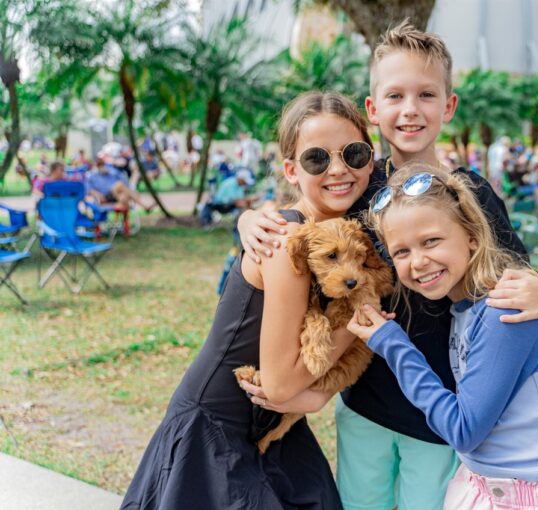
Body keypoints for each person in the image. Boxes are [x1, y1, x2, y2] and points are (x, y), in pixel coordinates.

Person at [238, 21, 538, 510]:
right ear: (374, 109)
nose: (410, 110)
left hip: (438, 415)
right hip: (365, 404)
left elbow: (515, 274)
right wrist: (246, 220)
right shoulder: (357, 187)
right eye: (395, 96)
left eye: (426, 95)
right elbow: (299, 220)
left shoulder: (470, 193)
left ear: (448, 106)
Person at [122, 91, 380, 509]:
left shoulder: (347, 227)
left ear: (370, 158)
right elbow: (280, 386)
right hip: (216, 431)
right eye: (317, 159)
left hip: (271, 428)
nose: (339, 169)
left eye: (353, 154)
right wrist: (364, 316)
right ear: (291, 170)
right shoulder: (284, 239)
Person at [348, 164, 538, 509]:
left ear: (472, 234)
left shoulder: (502, 312)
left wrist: (390, 342)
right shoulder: (464, 310)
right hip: (486, 486)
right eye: (402, 252)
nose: (419, 261)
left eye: (431, 241)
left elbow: (463, 430)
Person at [85, 157, 153, 211]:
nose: (101, 166)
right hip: (106, 196)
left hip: (117, 194)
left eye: (102, 164)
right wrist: (95, 193)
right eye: (99, 165)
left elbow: (123, 179)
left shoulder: (111, 171)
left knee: (123, 197)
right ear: (96, 166)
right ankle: (144, 205)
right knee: (120, 185)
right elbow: (88, 189)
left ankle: (125, 225)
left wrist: (110, 172)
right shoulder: (92, 176)